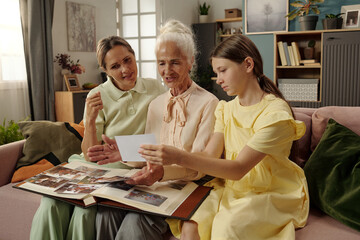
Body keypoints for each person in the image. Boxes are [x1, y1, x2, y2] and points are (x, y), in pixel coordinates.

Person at [139, 34, 310, 240]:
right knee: (191, 226)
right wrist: (162, 170)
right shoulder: (225, 109)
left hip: (267, 192)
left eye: (223, 71)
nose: (218, 79)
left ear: (248, 65)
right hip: (230, 188)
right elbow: (209, 155)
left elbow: (238, 169)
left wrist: (178, 156)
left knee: (226, 230)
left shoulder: (275, 115)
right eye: (216, 72)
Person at [87, 19, 219, 240]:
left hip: (187, 188)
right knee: (105, 212)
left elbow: (200, 167)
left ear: (190, 61)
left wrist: (161, 173)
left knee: (135, 223)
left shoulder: (209, 103)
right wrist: (125, 153)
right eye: (161, 63)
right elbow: (151, 152)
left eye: (175, 62)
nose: (167, 71)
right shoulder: (156, 103)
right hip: (155, 183)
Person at [29, 36, 165, 240]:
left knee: (85, 210)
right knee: (51, 203)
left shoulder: (155, 88)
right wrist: (90, 121)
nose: (125, 70)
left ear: (134, 57)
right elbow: (90, 154)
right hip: (94, 165)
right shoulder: (96, 95)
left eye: (127, 60)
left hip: (126, 166)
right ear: (106, 70)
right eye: (115, 66)